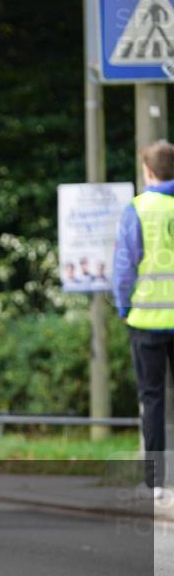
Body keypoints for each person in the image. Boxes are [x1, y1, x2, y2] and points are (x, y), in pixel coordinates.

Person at [112, 139, 174, 502]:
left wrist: (124, 307)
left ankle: (155, 485)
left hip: (147, 320)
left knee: (152, 400)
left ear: (148, 171)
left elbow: (124, 269)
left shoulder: (139, 208)